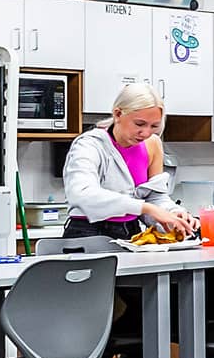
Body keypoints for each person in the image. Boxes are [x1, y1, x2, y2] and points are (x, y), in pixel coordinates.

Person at [62, 82, 195, 241]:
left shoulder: (152, 144)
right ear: (118, 114)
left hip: (131, 232)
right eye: (139, 124)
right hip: (88, 233)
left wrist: (172, 213)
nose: (146, 133)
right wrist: (145, 208)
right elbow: (82, 194)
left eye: (154, 126)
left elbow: (155, 197)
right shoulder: (90, 145)